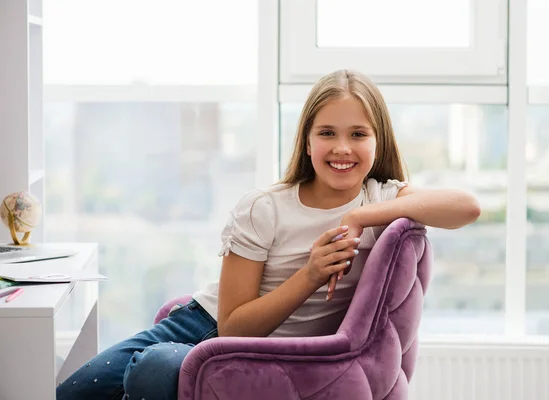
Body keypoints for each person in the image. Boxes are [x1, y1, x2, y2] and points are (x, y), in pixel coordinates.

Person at [56, 69, 481, 400]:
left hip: (269, 352)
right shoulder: (265, 208)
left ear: (378, 139)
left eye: (358, 134)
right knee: (72, 392)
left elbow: (467, 207)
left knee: (153, 370)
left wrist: (362, 217)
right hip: (204, 325)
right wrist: (310, 274)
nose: (342, 149)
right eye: (327, 133)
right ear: (308, 140)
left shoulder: (381, 198)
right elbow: (233, 324)